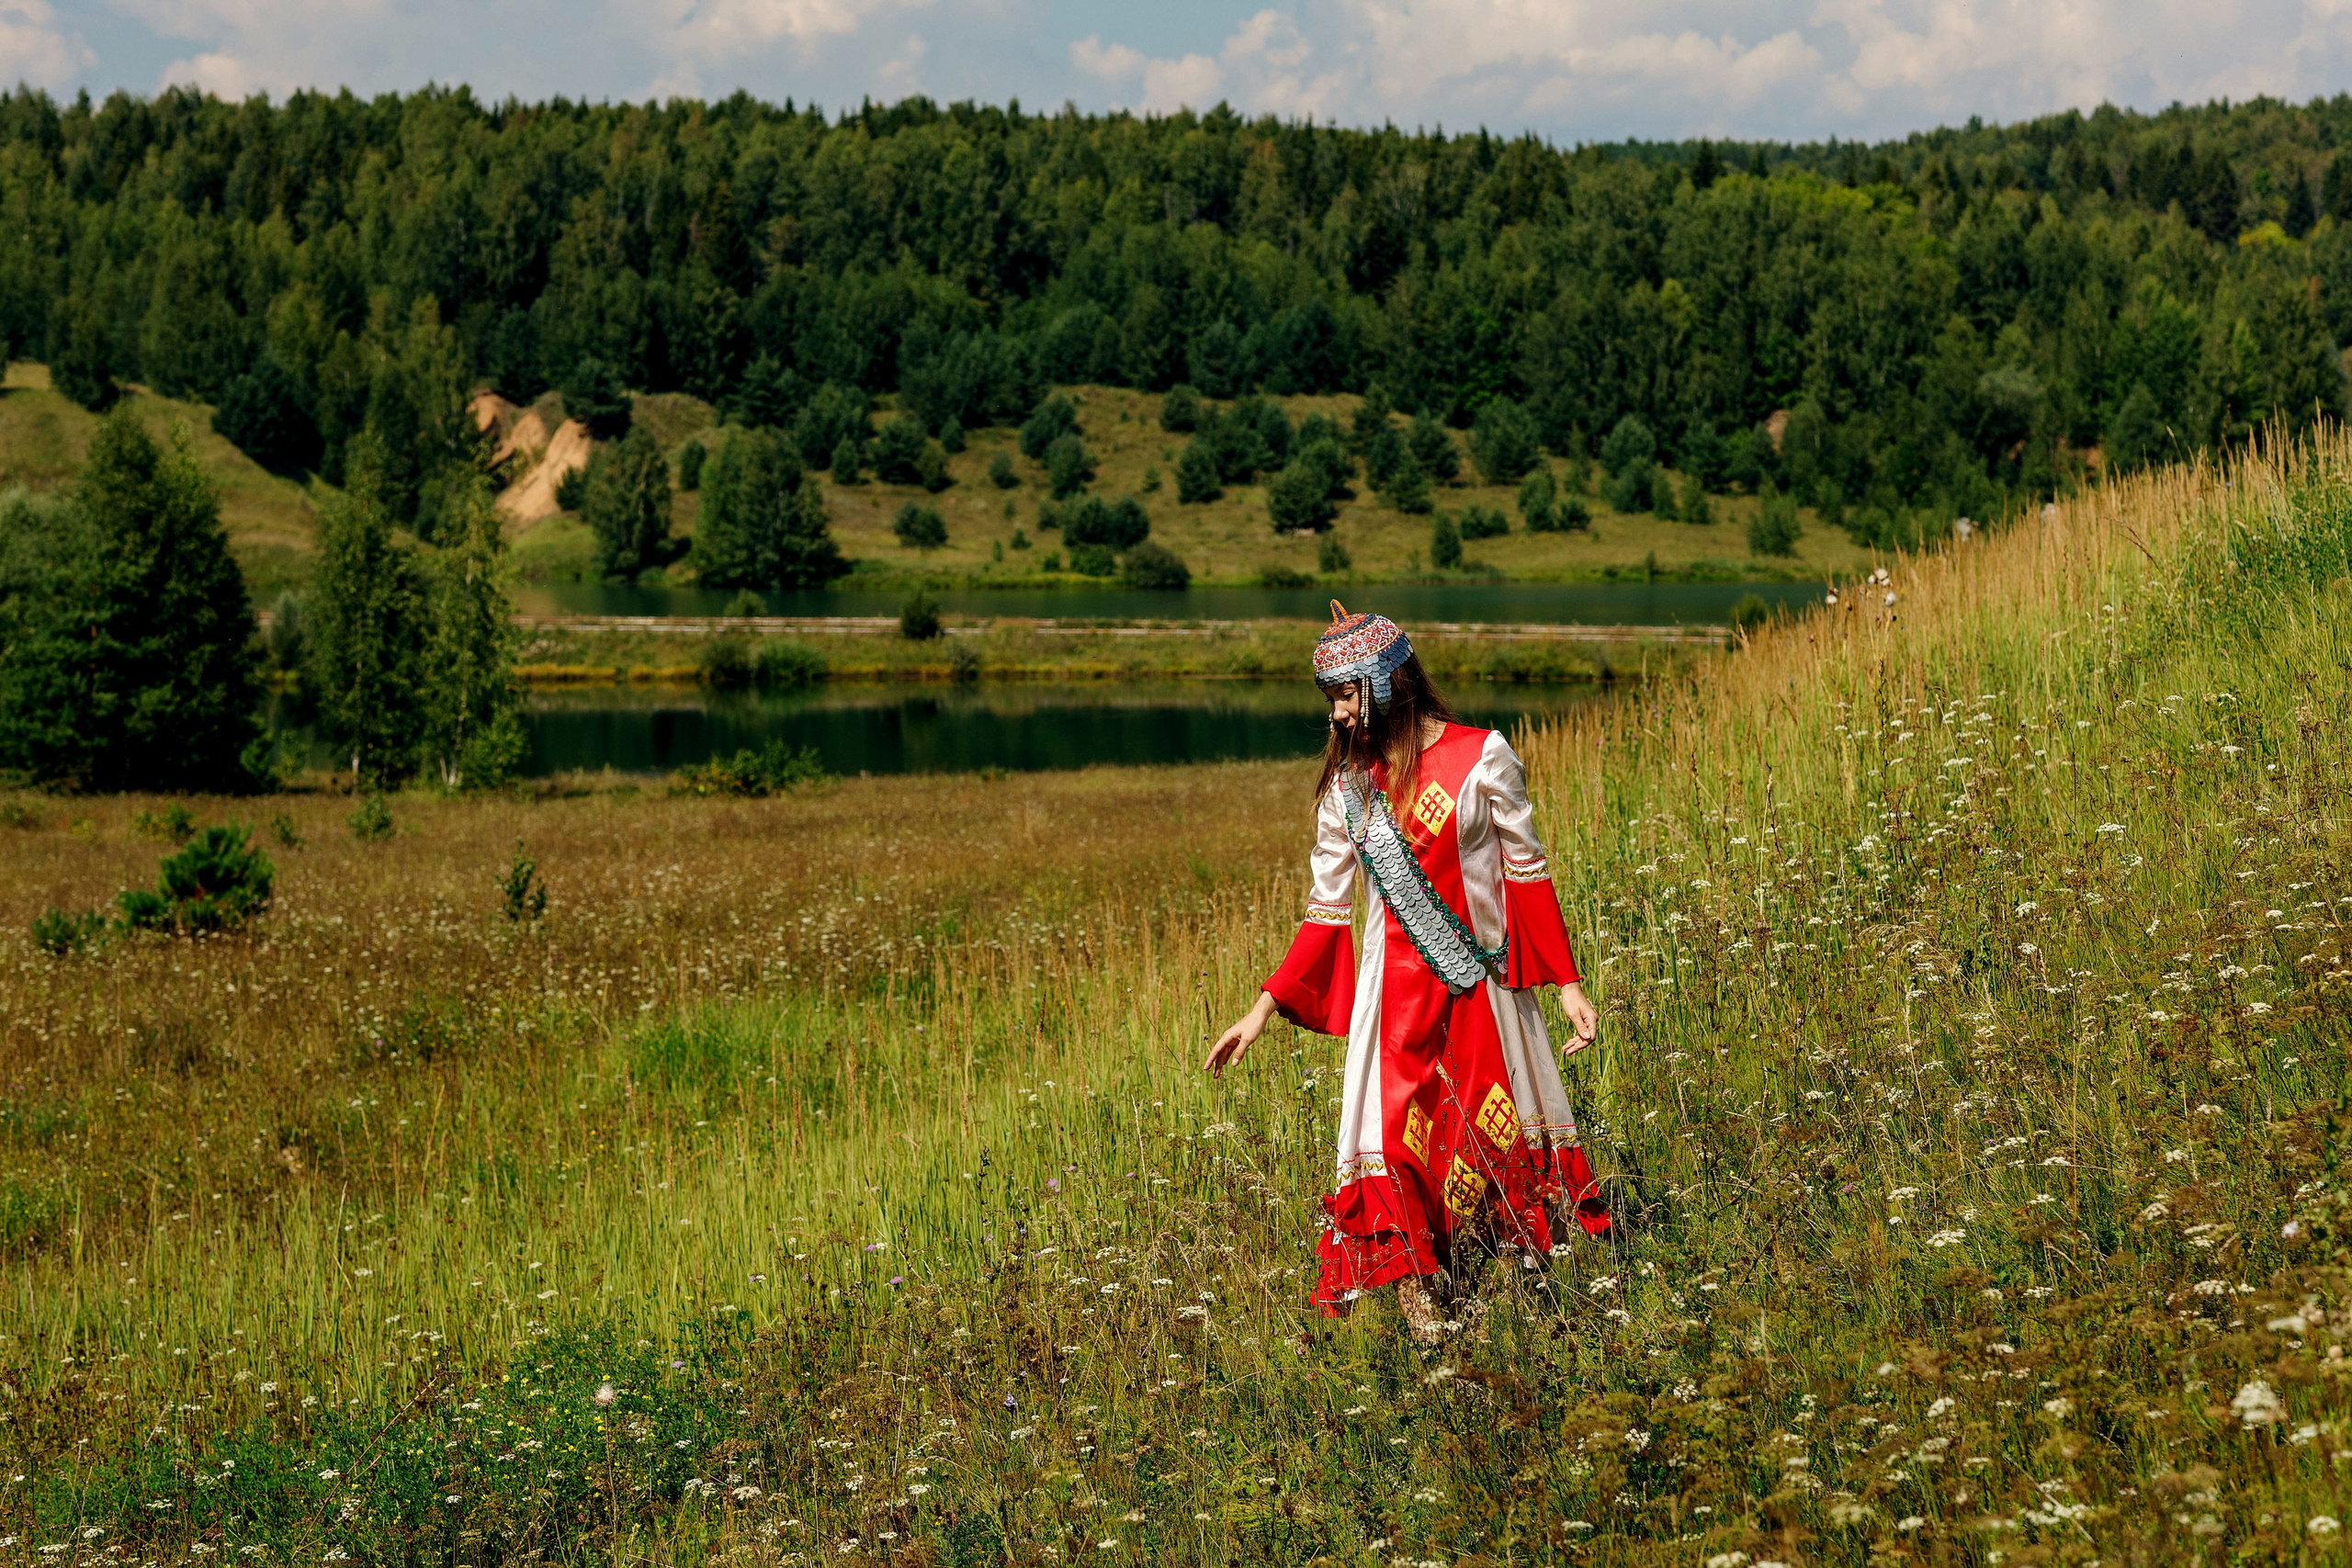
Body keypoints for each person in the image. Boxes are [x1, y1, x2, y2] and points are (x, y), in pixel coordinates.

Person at [1205, 603, 1609, 1342]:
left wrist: (1568, 985)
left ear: (1388, 681)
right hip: (1392, 1009)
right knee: (1396, 1152)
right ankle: (1430, 1330)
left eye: (1347, 693)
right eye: (1330, 698)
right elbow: (1326, 914)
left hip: (1481, 995)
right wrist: (1262, 1008)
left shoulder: (1484, 756)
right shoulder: (1346, 795)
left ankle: (1525, 1315)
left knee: (1493, 1139)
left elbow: (1526, 872)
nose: (1337, 713)